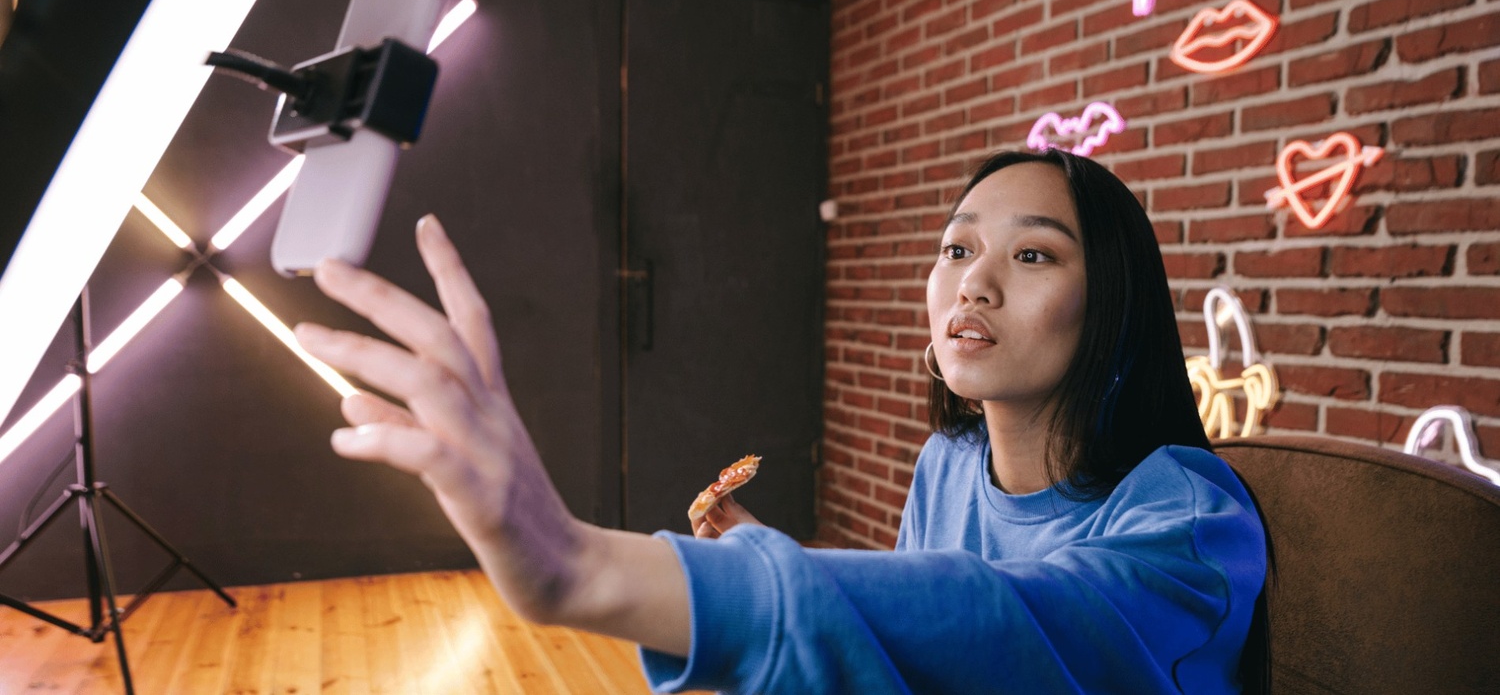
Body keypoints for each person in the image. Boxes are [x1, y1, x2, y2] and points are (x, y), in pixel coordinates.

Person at [294, 148, 1267, 693]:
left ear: (1114, 302)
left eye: (1035, 255)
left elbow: (1013, 628)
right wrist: (773, 560)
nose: (972, 277)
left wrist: (579, 565)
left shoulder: (1189, 518)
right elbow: (915, 648)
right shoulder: (947, 464)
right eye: (957, 246)